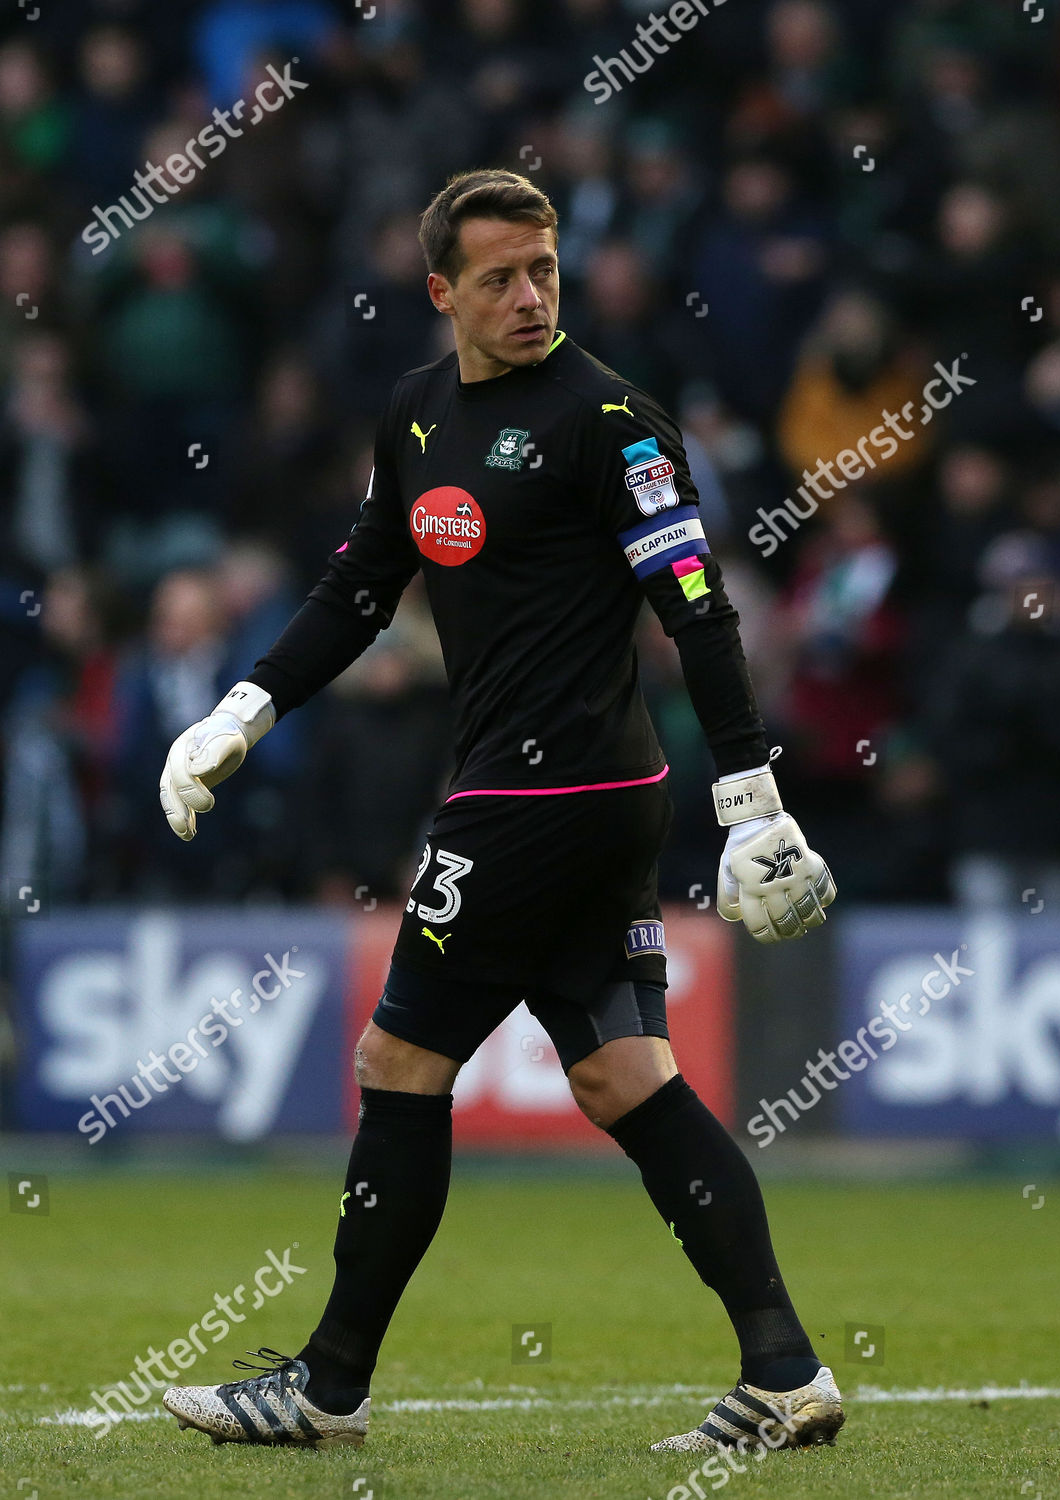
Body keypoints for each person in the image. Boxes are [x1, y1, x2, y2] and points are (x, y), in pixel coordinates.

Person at [157, 169, 843, 1455]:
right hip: (564, 796)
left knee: (396, 1063)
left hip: (546, 792)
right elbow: (360, 587)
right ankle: (786, 1373)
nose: (530, 297)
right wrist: (241, 709)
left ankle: (326, 1389)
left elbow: (695, 606)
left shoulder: (613, 421)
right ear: (441, 294)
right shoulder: (416, 418)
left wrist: (750, 796)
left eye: (544, 271)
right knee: (619, 1074)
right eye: (499, 279)